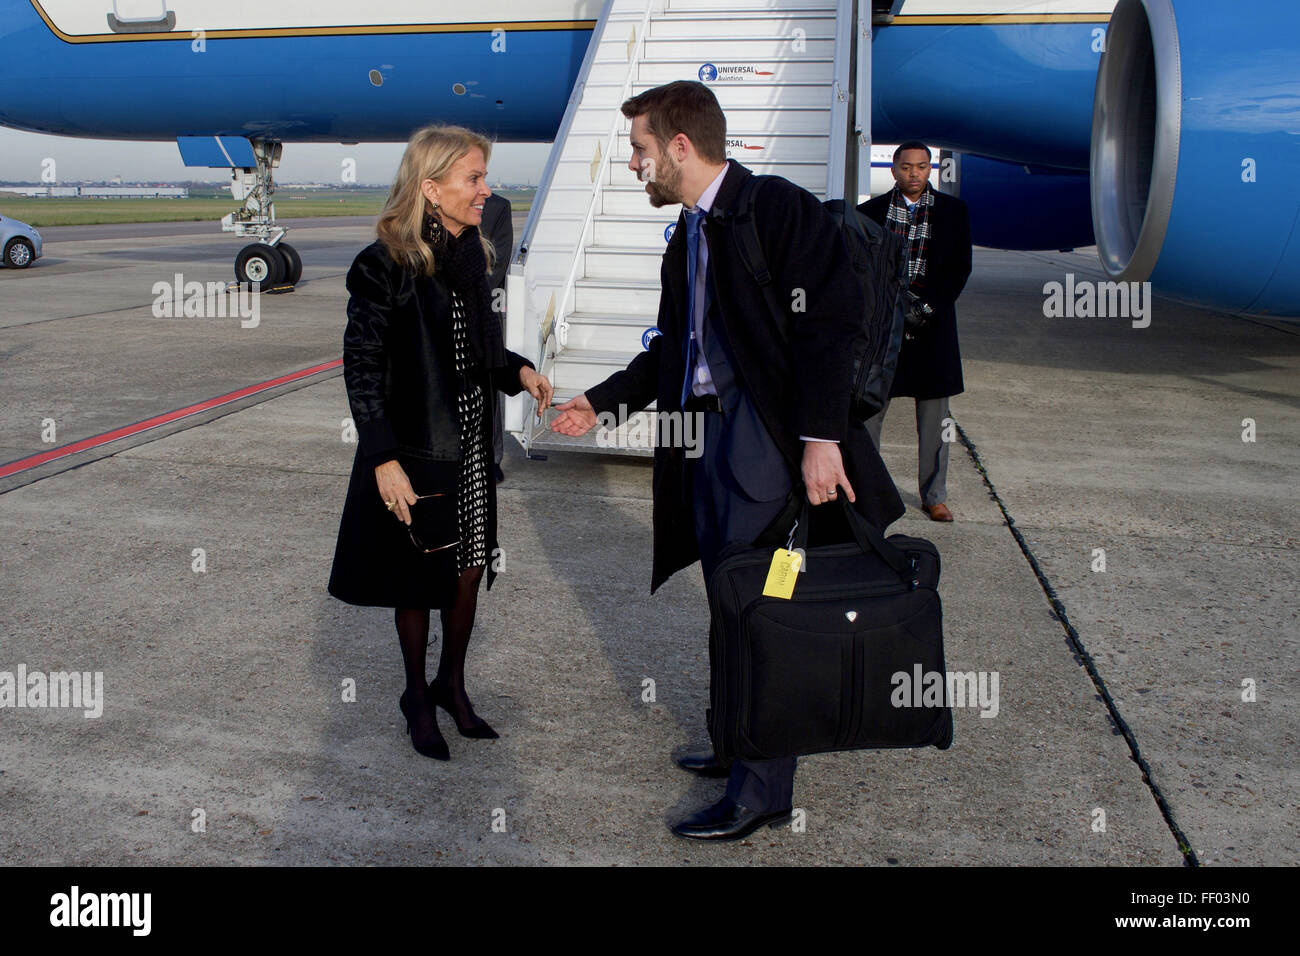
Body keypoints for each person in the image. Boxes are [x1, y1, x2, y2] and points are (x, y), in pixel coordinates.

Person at [550, 81, 904, 840]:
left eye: (641, 151)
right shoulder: (690, 234)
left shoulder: (774, 209)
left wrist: (820, 439)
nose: (635, 167)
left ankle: (763, 793)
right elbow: (671, 351)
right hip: (703, 444)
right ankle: (731, 740)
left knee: (764, 614)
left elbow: (830, 327)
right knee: (727, 605)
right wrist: (602, 402)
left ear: (680, 146)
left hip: (766, 444)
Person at [328, 125, 553, 761]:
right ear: (431, 189)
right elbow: (362, 368)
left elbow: (475, 350)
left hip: (474, 451)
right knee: (418, 580)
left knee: (468, 569)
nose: (487, 190)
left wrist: (520, 371)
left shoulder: (470, 258)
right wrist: (383, 461)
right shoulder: (385, 265)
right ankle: (415, 696)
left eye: (484, 177)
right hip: (420, 451)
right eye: (473, 179)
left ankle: (450, 683)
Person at [858, 141, 972, 522]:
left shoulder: (954, 213)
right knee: (868, 413)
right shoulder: (869, 214)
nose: (914, 174)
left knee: (936, 420)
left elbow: (959, 269)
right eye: (907, 167)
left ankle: (934, 495)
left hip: (933, 328)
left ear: (930, 170)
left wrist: (928, 308)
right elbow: (861, 270)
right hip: (884, 328)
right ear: (894, 170)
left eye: (922, 167)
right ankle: (868, 493)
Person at [479, 191, 513, 484]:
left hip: (486, 307)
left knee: (490, 383)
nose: (484, 188)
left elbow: (498, 264)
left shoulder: (497, 206)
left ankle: (492, 457)